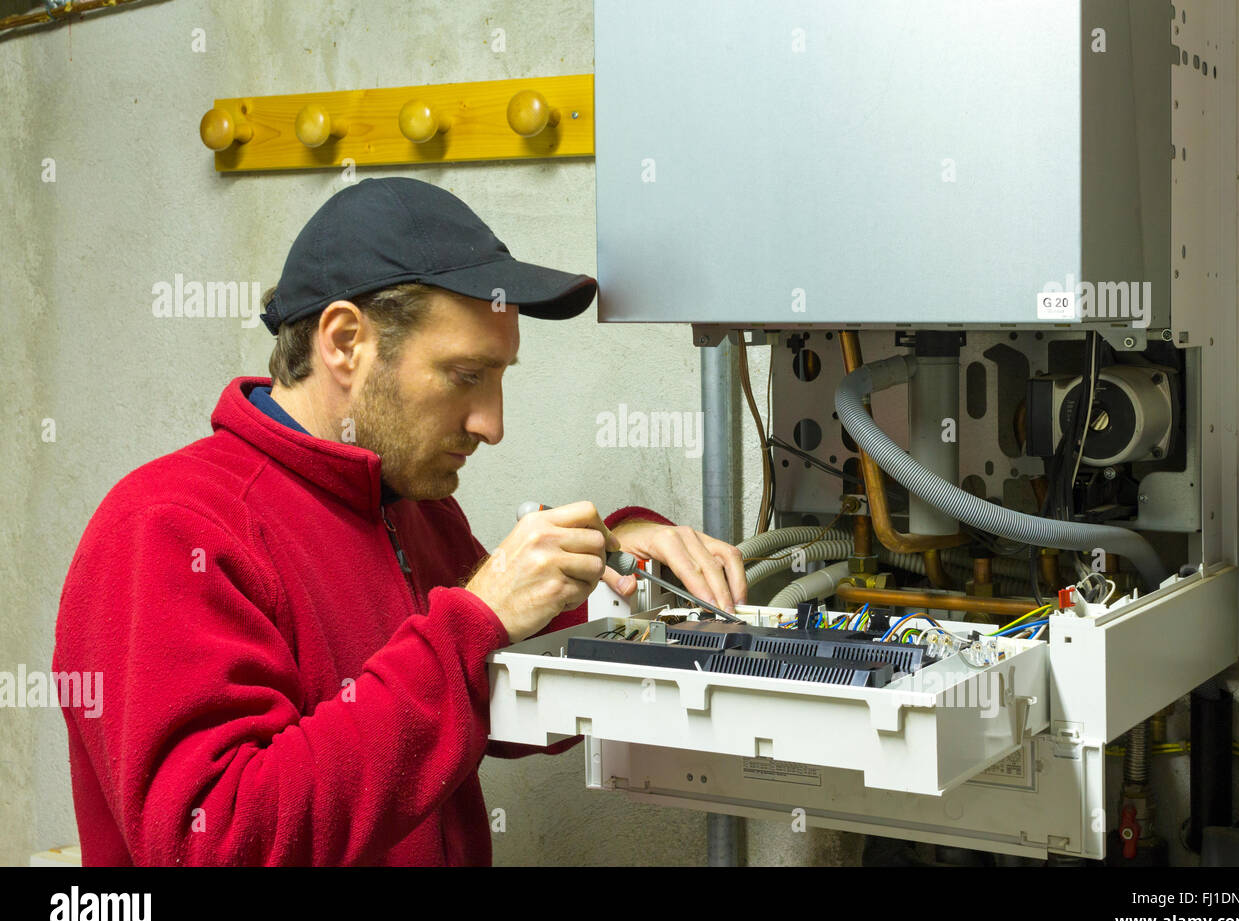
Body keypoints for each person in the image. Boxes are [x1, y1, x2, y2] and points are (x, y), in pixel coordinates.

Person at [52, 177, 747, 865]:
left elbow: (481, 693)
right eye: (465, 375)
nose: (492, 425)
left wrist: (614, 575)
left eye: (501, 376)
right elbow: (218, 840)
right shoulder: (172, 529)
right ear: (345, 341)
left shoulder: (409, 504)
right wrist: (472, 623)